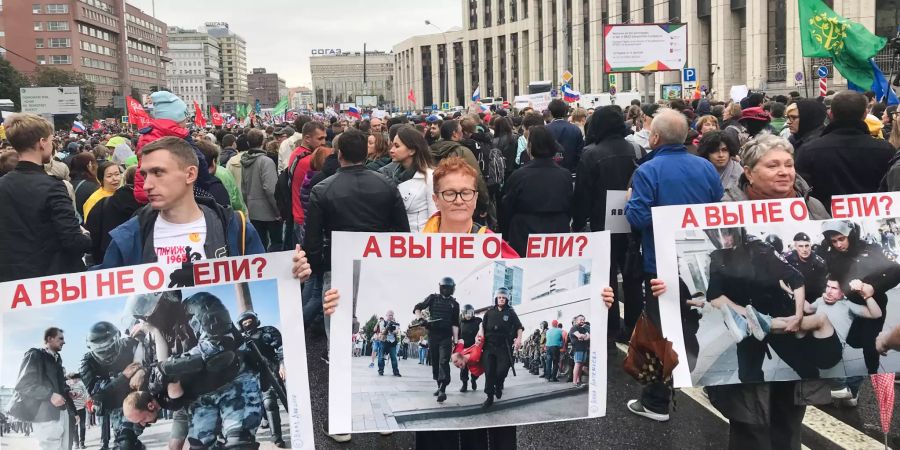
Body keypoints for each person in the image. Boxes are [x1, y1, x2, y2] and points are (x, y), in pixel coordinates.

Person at [624, 108, 724, 422]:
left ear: (654, 137)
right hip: (701, 258)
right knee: (700, 320)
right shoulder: (706, 167)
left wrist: (630, 204)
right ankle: (712, 384)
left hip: (662, 263)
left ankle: (656, 401)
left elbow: (638, 218)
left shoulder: (648, 171)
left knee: (660, 329)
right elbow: (717, 208)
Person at [305, 128, 410, 335]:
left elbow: (313, 238)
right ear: (365, 154)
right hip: (376, 261)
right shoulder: (386, 183)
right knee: (370, 310)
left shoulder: (322, 189)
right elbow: (402, 231)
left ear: (339, 155)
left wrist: (317, 266)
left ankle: (336, 360)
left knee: (337, 327)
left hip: (336, 264)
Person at [573, 105, 643, 338]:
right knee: (632, 275)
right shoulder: (637, 149)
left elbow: (583, 193)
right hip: (633, 220)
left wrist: (579, 222)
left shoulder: (591, 154)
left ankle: (611, 325)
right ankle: (635, 325)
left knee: (607, 275)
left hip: (601, 222)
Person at [0, 113, 91, 282]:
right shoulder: (53, 187)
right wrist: (86, 236)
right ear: (42, 143)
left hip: (10, 284)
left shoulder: (3, 185)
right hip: (51, 283)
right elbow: (73, 242)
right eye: (50, 140)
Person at [819, 219, 900, 376]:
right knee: (854, 340)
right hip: (850, 306)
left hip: (874, 304)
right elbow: (827, 279)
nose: (838, 244)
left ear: (852, 235)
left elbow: (896, 271)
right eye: (834, 241)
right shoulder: (832, 256)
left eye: (841, 239)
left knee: (869, 345)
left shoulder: (872, 249)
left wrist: (874, 287)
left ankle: (873, 372)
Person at [796, 91, 895, 212]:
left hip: (825, 223)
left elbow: (802, 192)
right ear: (865, 114)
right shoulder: (885, 149)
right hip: (873, 220)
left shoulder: (808, 150)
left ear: (831, 114)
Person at [499, 124, 572, 255]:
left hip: (524, 233)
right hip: (557, 234)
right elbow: (571, 205)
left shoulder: (519, 175)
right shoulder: (565, 175)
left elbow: (506, 206)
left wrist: (505, 235)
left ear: (530, 147)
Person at [78, 321, 146, 449]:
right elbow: (97, 394)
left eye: (109, 346)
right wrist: (124, 376)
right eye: (101, 349)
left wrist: (143, 332)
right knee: (125, 442)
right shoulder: (87, 363)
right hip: (113, 406)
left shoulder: (130, 345)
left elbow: (149, 355)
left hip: (135, 400)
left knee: (127, 441)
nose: (106, 352)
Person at [12, 327, 75, 450]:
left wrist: (68, 392)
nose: (64, 342)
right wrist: (50, 395)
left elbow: (57, 385)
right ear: (49, 339)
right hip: (46, 414)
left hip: (62, 412)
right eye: (60, 338)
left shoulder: (57, 359)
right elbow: (23, 385)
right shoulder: (35, 355)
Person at [237, 311, 287, 448]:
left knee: (278, 401)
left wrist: (283, 364)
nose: (248, 324)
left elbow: (281, 347)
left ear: (256, 320)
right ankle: (271, 430)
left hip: (272, 370)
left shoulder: (267, 331)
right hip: (253, 377)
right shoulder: (240, 341)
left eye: (250, 321)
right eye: (244, 323)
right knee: (263, 405)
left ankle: (283, 435)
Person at [414, 278, 461, 403]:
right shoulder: (433, 298)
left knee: (443, 361)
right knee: (435, 361)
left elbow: (455, 324)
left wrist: (456, 340)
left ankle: (443, 388)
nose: (447, 290)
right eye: (446, 287)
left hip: (446, 336)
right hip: (433, 335)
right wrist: (420, 319)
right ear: (442, 287)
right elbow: (418, 307)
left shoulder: (455, 304)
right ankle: (439, 385)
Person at [477, 287, 524, 408]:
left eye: (504, 298)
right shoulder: (489, 312)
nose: (501, 299)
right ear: (496, 298)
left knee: (501, 372)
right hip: (489, 346)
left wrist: (518, 339)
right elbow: (482, 326)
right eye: (499, 297)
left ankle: (499, 385)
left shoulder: (511, 312)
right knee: (489, 372)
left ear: (507, 299)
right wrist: (480, 334)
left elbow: (519, 327)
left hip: (504, 347)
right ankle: (489, 397)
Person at [85, 166, 140, 265]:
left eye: (117, 174)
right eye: (109, 176)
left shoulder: (145, 204)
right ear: (101, 178)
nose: (115, 179)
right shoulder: (95, 200)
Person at [386, 126, 437, 232]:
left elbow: (435, 218)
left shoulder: (430, 178)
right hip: (397, 241)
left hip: (420, 242)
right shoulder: (390, 176)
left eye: (397, 146)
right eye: (392, 145)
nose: (391, 150)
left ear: (412, 150)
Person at [241, 129, 282, 251]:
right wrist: (277, 210)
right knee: (276, 245)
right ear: (263, 142)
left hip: (253, 210)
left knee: (259, 246)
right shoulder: (266, 161)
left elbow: (243, 188)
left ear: (248, 143)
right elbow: (270, 189)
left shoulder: (244, 161)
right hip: (269, 211)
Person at [286, 121, 327, 247]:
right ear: (307, 138)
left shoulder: (297, 153)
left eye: (325, 138)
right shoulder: (309, 160)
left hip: (298, 215)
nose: (324, 143)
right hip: (305, 218)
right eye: (320, 138)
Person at [785, 232, 828, 301]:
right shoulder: (788, 258)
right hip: (793, 295)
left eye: (807, 246)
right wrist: (789, 291)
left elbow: (823, 286)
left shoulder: (818, 263)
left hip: (813, 296)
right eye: (801, 246)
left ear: (810, 246)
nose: (804, 249)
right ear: (795, 247)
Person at [545, 99, 584, 171]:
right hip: (571, 171)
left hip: (550, 171)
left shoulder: (544, 129)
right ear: (566, 112)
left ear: (550, 112)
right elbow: (579, 153)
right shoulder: (575, 129)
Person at [458, 304, 482, 392]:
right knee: (463, 367)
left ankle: (474, 379)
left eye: (470, 313)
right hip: (464, 349)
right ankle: (464, 384)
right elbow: (457, 335)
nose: (468, 315)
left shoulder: (478, 321)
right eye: (466, 313)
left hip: (475, 348)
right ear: (463, 314)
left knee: (476, 367)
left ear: (473, 313)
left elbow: (483, 329)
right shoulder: (460, 322)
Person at [69, 152, 100, 221]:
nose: (97, 166)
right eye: (95, 163)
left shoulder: (66, 184)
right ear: (89, 165)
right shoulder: (93, 187)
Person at [374, 311, 402, 377]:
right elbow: (382, 331)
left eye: (392, 315)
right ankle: (381, 371)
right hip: (384, 342)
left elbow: (397, 331)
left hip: (392, 343)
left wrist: (391, 330)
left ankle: (396, 372)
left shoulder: (396, 323)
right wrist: (387, 328)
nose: (390, 316)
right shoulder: (382, 322)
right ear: (386, 315)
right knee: (381, 357)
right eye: (389, 315)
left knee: (394, 358)